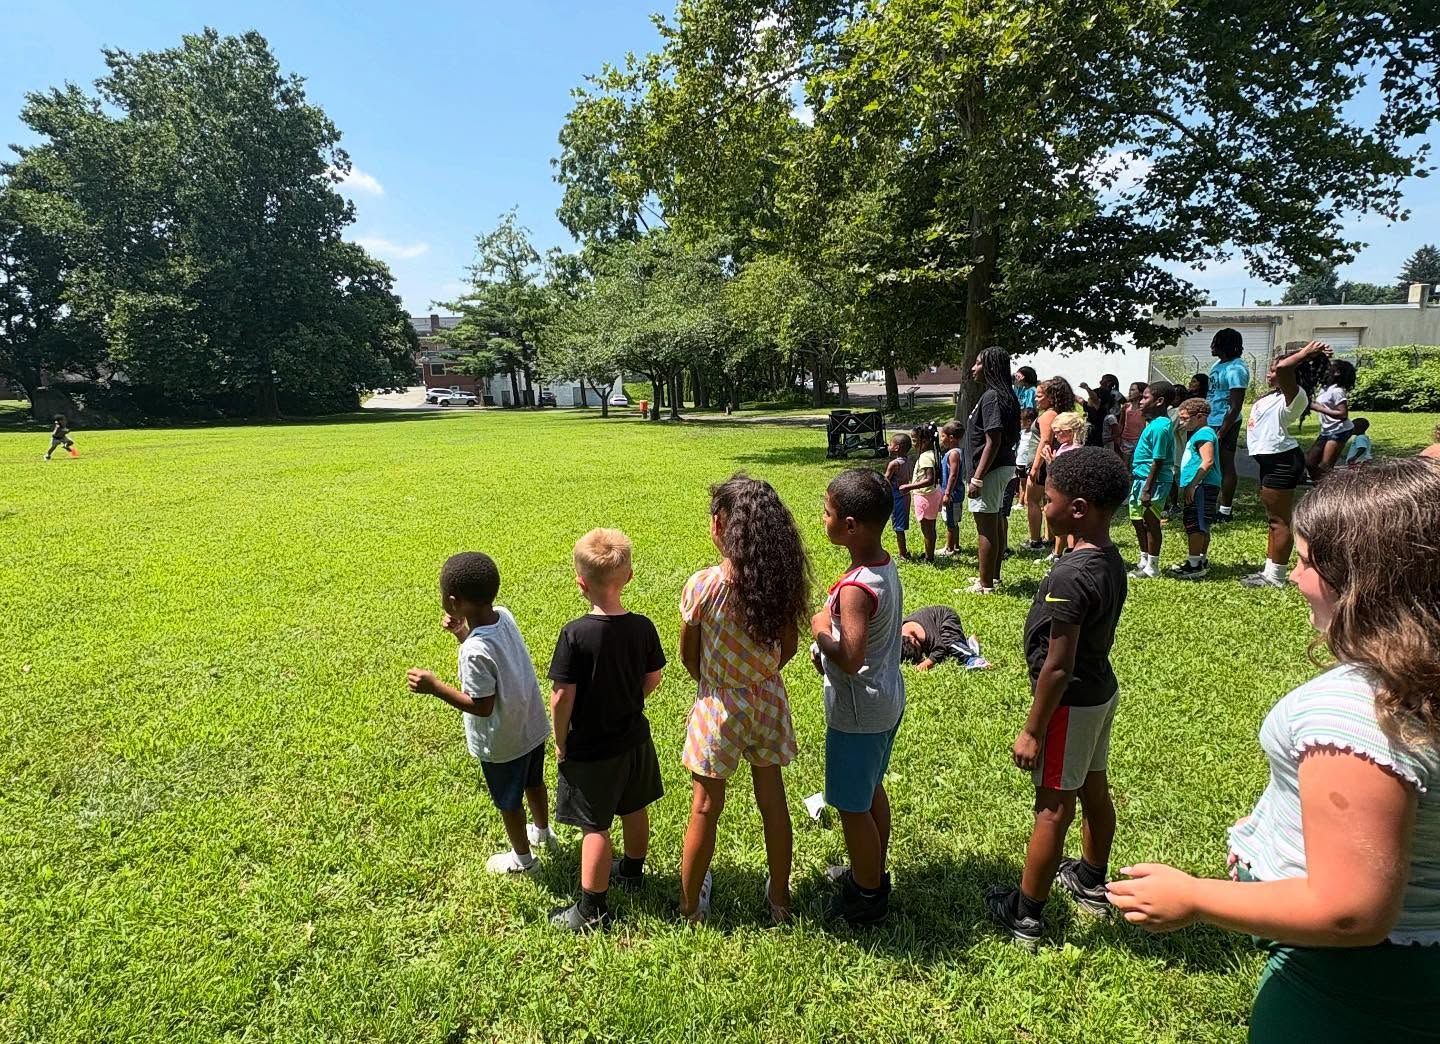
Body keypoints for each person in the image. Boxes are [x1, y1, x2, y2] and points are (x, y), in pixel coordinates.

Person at [1107, 458, 1440, 1042]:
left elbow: (1349, 911)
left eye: (1308, 563)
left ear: (1363, 581)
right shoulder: (1421, 684)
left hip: (1349, 987)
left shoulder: (1358, 711)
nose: (1293, 577)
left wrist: (1193, 897)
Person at [986, 447, 1131, 950]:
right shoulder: (1107, 558)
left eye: (1046, 498)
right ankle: (1090, 879)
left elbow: (1058, 665)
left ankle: (1025, 913)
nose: (1038, 503)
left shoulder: (1072, 575)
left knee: (1052, 807)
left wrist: (1032, 729)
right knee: (1093, 787)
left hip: (1069, 703)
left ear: (1078, 508)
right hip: (1099, 693)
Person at [679, 476, 811, 924]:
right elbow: (789, 647)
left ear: (719, 525)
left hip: (718, 707)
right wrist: (761, 677)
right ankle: (779, 900)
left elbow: (688, 655)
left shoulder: (704, 586)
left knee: (704, 805)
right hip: (768, 702)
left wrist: (715, 684)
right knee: (773, 800)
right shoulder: (781, 583)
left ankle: (690, 906)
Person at [406, 552, 555, 875]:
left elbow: (481, 705)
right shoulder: (504, 616)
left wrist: (435, 687)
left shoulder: (474, 651)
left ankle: (524, 861)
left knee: (509, 802)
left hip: (504, 742)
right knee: (534, 782)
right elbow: (492, 656)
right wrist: (461, 632)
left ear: (453, 601)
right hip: (530, 726)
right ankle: (544, 833)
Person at [547, 528, 667, 931]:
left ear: (580, 583)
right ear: (628, 578)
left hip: (591, 748)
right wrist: (632, 696)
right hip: (635, 738)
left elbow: (562, 696)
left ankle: (591, 911)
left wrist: (561, 740)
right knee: (634, 807)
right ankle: (632, 871)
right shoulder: (643, 627)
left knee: (594, 827)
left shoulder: (575, 634)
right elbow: (654, 676)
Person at [810, 469, 906, 926]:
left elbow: (849, 657)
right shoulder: (883, 566)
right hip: (884, 701)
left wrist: (819, 633)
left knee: (850, 805)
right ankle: (870, 868)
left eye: (827, 512)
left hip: (857, 711)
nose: (822, 518)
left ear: (851, 526)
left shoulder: (854, 589)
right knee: (868, 793)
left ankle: (866, 896)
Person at [1241, 341, 1331, 589]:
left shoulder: (1296, 395)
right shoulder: (1274, 396)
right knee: (1273, 519)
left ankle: (1276, 577)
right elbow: (1282, 370)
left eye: (1272, 370)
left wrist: (1303, 354)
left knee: (1279, 521)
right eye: (1270, 369)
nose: (1270, 373)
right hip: (1270, 461)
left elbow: (1283, 369)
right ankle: (1269, 572)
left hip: (1281, 461)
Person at [965, 347, 1022, 594]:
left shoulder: (992, 396)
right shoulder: (1004, 395)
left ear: (989, 367)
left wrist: (977, 477)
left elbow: (993, 439)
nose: (973, 368)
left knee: (986, 526)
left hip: (990, 470)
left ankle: (985, 584)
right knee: (996, 522)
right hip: (1001, 467)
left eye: (978, 364)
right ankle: (992, 576)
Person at [1169, 398, 1221, 580]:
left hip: (1201, 486)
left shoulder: (1203, 435)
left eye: (1184, 419)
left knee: (1195, 525)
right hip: (1203, 485)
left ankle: (1194, 565)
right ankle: (1200, 560)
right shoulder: (1203, 433)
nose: (1181, 423)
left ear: (1199, 417)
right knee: (1202, 523)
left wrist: (1193, 484)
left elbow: (1208, 461)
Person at [1128, 380, 1175, 579]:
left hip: (1153, 482)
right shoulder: (1153, 424)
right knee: (1137, 519)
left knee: (1151, 522)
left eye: (1146, 397)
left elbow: (1158, 459)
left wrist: (1148, 487)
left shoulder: (1161, 427)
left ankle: (1153, 567)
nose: (1140, 401)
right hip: (1140, 478)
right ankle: (1144, 558)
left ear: (1159, 401)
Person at [1025, 377, 1076, 555]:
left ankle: (1035, 540)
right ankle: (1050, 538)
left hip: (1041, 463)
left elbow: (1046, 440)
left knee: (1032, 500)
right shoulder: (1060, 413)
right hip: (1049, 462)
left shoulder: (1048, 415)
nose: (1036, 399)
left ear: (1051, 397)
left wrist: (1035, 467)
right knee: (1049, 501)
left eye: (1040, 396)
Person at [1207, 329, 1251, 523]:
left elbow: (1235, 405)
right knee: (1210, 464)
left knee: (1226, 466)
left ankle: (1225, 510)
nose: (1211, 346)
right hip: (1210, 419)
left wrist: (1223, 430)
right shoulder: (1218, 365)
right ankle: (1209, 504)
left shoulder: (1237, 369)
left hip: (1226, 422)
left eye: (1215, 342)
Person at [1305, 359, 1357, 481]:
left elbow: (1343, 414)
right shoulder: (1325, 388)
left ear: (1337, 373)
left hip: (1340, 431)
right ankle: (1319, 486)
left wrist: (1318, 408)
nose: (1324, 370)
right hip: (1327, 430)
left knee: (1325, 466)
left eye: (1328, 368)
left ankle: (1326, 490)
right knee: (1310, 462)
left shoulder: (1337, 391)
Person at [899, 423, 942, 563]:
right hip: (931, 495)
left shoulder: (925, 457)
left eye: (915, 440)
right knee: (930, 528)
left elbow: (930, 479)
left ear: (926, 441)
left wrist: (909, 486)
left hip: (925, 496)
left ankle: (929, 558)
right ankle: (929, 554)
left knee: (927, 529)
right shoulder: (932, 453)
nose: (913, 444)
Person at [900, 605, 987, 671]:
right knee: (950, 652)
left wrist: (926, 664)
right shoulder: (898, 632)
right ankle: (967, 645)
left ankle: (974, 659)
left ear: (914, 640)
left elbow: (940, 649)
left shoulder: (923, 633)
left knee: (949, 642)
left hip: (946, 618)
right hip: (934, 628)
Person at [1008, 406, 1040, 555]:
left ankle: (1024, 500)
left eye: (1022, 420)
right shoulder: (1022, 433)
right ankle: (1021, 501)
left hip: (1029, 463)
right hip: (1020, 462)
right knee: (1021, 483)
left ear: (1029, 421)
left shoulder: (1034, 433)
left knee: (1027, 486)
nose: (1021, 423)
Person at [883, 433, 914, 560]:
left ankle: (903, 554)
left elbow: (885, 480)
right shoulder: (909, 461)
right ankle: (903, 552)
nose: (888, 446)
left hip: (896, 496)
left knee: (898, 528)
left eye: (891, 444)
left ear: (897, 448)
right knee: (900, 525)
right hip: (906, 496)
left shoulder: (894, 464)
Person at [937, 421, 965, 558]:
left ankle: (949, 548)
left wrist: (947, 493)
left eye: (943, 436)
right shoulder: (954, 452)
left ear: (952, 437)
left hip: (953, 494)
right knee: (953, 521)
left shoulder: (953, 454)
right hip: (954, 493)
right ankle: (956, 545)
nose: (941, 439)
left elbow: (953, 475)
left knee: (950, 522)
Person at [1117, 382, 1147, 465]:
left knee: (1137, 463)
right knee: (1125, 463)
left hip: (1140, 440)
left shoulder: (1144, 408)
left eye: (1133, 390)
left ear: (1141, 392)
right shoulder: (1126, 407)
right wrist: (1118, 436)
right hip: (1126, 439)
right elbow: (1121, 423)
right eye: (1130, 390)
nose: (1130, 392)